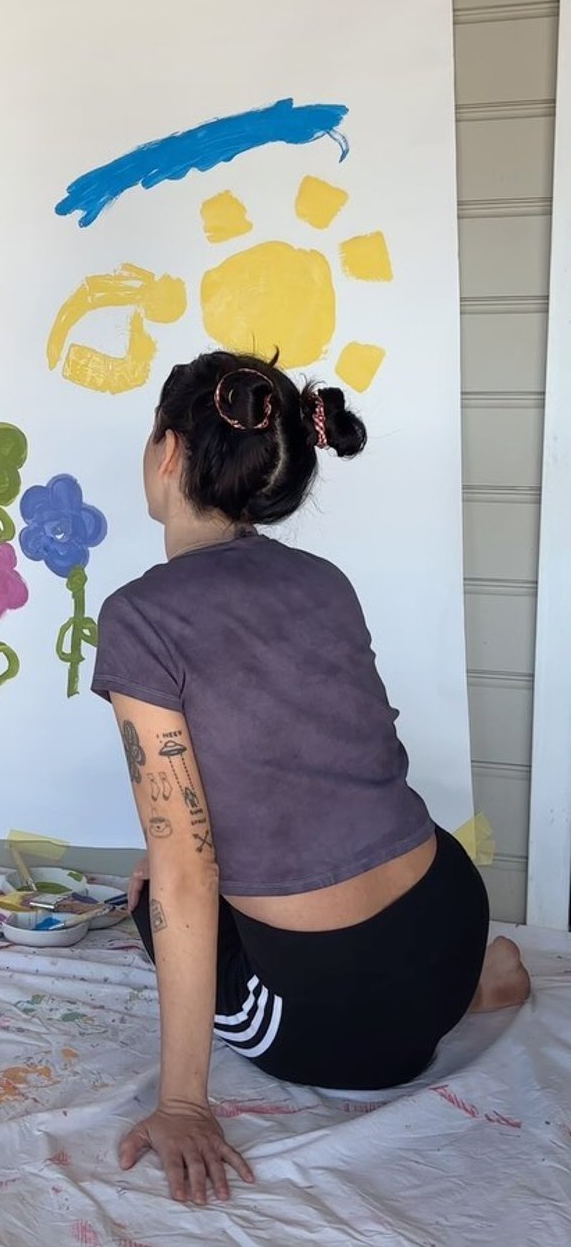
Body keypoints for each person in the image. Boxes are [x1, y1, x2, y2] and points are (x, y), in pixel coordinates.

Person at [91, 350, 531, 1205]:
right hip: (448, 915)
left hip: (340, 1022)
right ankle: (474, 985)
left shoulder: (139, 617)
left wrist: (183, 1102)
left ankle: (439, 999)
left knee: (152, 893)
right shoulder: (323, 580)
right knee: (194, 874)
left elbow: (187, 870)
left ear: (169, 452)